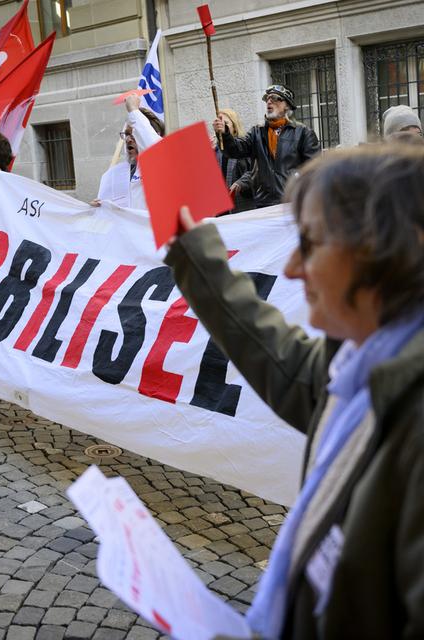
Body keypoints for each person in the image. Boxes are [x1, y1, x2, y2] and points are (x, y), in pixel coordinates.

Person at [165, 144, 424, 639]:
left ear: (383, 254)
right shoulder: (361, 366)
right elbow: (286, 364)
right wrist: (195, 254)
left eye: (311, 242)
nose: (290, 269)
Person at [213, 84, 320, 208]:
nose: (269, 101)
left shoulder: (303, 132)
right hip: (264, 205)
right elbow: (234, 150)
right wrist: (225, 133)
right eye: (267, 98)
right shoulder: (256, 132)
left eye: (274, 98)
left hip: (292, 204)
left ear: (287, 105)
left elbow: (314, 170)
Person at [95, 94, 165, 209]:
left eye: (133, 134)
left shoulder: (164, 164)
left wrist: (134, 111)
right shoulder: (112, 174)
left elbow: (157, 149)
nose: (128, 139)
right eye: (126, 134)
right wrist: (97, 208)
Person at [214, 108, 254, 213]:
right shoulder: (216, 150)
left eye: (225, 123)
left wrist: (241, 183)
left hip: (242, 208)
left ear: (234, 127)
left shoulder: (244, 146)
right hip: (221, 210)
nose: (221, 126)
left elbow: (255, 171)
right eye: (219, 123)